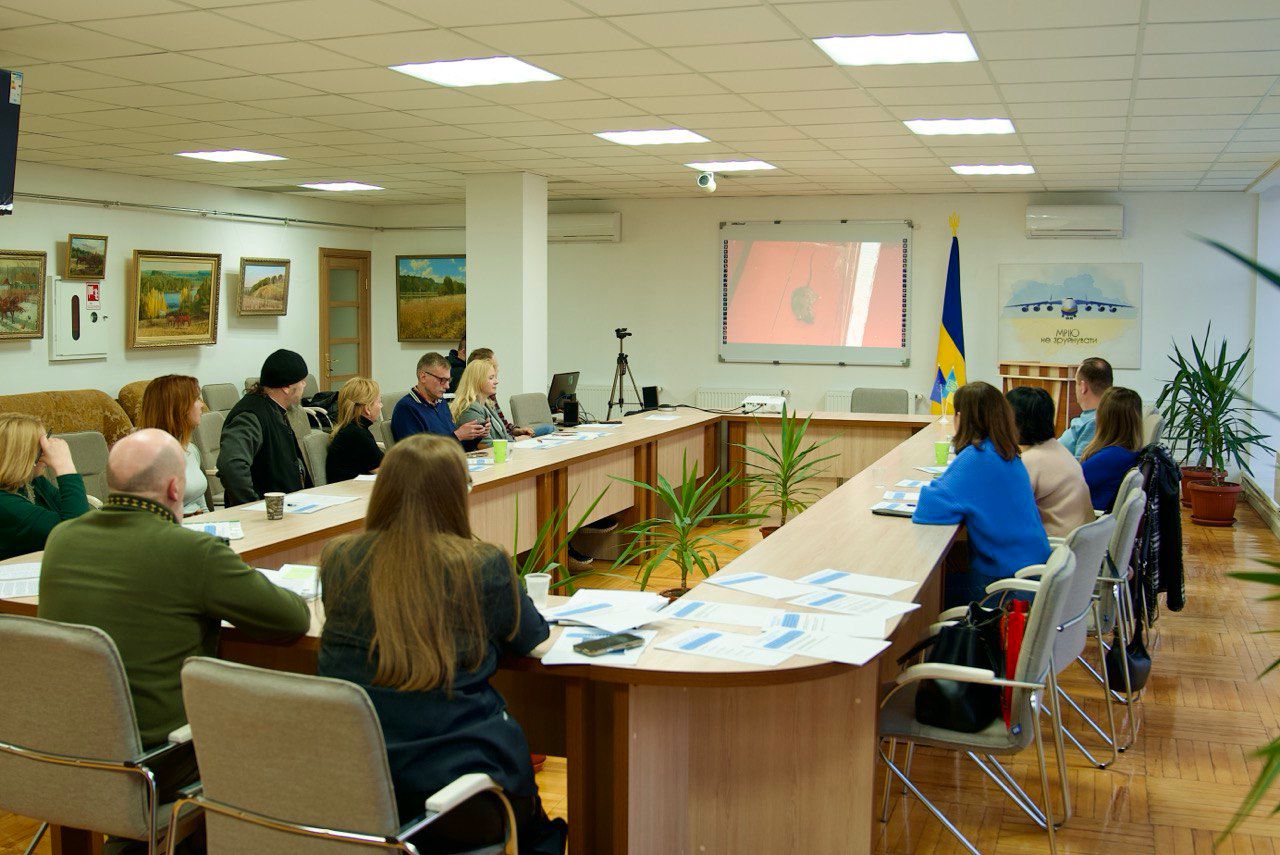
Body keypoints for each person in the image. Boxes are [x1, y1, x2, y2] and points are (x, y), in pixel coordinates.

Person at [39, 429, 311, 834]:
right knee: (292, 723)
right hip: (160, 761)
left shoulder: (62, 539)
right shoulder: (194, 552)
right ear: (175, 487)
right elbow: (291, 619)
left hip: (63, 753)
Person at [318, 434, 567, 854]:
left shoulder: (339, 558)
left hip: (358, 790)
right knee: (542, 833)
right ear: (454, 495)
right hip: (462, 800)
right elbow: (532, 638)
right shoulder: (481, 564)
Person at [913, 382, 1051, 608]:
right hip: (1031, 575)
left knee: (923, 595)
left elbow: (928, 509)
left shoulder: (976, 457)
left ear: (960, 418)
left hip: (1005, 588)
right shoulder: (1006, 451)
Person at [217, 349, 312, 506]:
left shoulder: (276, 409)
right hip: (262, 514)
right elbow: (231, 465)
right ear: (286, 387)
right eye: (301, 381)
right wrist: (252, 505)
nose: (304, 384)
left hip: (286, 508)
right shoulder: (250, 416)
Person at [1006, 387, 1095, 538]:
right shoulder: (1057, 448)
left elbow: (1006, 513)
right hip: (1077, 542)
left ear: (1014, 422)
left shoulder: (1029, 462)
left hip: (1056, 546)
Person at [0, 413, 90, 560]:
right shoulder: (5, 506)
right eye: (42, 449)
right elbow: (78, 534)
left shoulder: (31, 482)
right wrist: (65, 466)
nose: (47, 456)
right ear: (23, 457)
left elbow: (77, 514)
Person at [138, 374, 208, 515]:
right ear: (178, 408)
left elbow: (201, 504)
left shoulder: (190, 450)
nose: (202, 405)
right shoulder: (147, 458)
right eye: (196, 399)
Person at [390, 352, 488, 450]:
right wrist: (457, 436)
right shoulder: (406, 409)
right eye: (442, 380)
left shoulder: (441, 402)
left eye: (448, 380)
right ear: (423, 377)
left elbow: (455, 447)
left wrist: (475, 436)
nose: (447, 386)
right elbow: (416, 453)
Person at [1081, 386, 1145, 511]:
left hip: (1088, 518)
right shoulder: (1128, 452)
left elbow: (1070, 484)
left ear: (1103, 418)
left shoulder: (1110, 457)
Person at [467, 347, 552, 439]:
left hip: (508, 438)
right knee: (549, 429)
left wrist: (517, 431)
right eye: (494, 366)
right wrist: (516, 440)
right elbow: (491, 441)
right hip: (506, 442)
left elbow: (503, 425)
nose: (497, 370)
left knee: (550, 429)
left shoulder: (488, 398)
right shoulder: (473, 407)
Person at [327, 377, 384, 484]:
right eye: (379, 402)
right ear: (367, 408)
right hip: (349, 489)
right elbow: (385, 471)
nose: (381, 406)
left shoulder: (351, 430)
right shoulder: (358, 435)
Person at [451, 359, 515, 444]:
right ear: (477, 381)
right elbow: (485, 444)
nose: (496, 382)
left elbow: (504, 436)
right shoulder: (469, 408)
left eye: (495, 377)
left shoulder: (487, 404)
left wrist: (518, 441)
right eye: (491, 378)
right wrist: (517, 443)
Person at [1060, 356, 1113, 458]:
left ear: (1083, 387)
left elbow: (1081, 465)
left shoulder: (1092, 423)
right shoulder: (1114, 415)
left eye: (1076, 383)